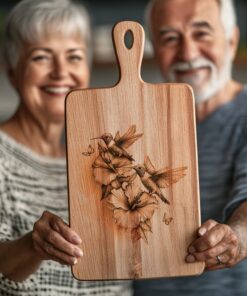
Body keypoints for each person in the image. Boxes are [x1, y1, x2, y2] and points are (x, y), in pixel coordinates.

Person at [0, 0, 132, 295]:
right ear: (11, 70)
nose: (61, 72)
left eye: (73, 56)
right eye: (41, 58)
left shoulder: (100, 158)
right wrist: (32, 246)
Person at [134, 0, 247, 295]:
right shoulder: (134, 125)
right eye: (170, 38)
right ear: (154, 49)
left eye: (202, 33)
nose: (188, 53)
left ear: (231, 39)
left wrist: (238, 234)